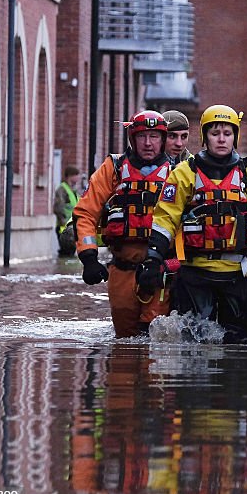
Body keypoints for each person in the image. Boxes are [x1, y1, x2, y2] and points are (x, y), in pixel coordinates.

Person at [136, 104, 247, 343]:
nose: (221, 139)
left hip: (237, 275)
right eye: (215, 133)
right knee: (193, 343)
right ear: (205, 137)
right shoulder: (184, 174)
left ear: (235, 137)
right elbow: (165, 217)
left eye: (227, 133)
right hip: (195, 274)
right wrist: (153, 258)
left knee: (239, 342)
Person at [74, 110, 174, 337]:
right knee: (124, 338)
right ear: (132, 139)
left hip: (160, 270)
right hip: (122, 267)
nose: (148, 143)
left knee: (154, 336)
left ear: (163, 139)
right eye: (142, 137)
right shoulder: (114, 168)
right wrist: (89, 257)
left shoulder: (177, 173)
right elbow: (85, 213)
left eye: (154, 136)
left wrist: (173, 265)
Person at [55, 165, 82, 255]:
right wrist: (64, 224)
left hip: (73, 227)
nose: (78, 178)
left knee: (71, 252)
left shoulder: (74, 191)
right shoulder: (62, 189)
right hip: (65, 226)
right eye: (76, 175)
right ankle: (63, 269)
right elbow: (58, 208)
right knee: (66, 252)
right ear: (70, 176)